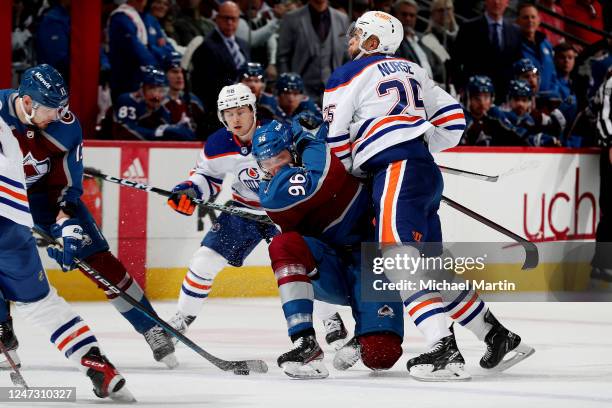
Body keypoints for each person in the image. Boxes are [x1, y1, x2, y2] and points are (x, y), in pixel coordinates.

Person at [323, 11, 533, 380]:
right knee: (431, 267)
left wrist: (355, 167)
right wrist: (417, 142)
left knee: (396, 258)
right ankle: (497, 336)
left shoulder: (346, 75)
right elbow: (453, 120)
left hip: (395, 172)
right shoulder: (414, 69)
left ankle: (442, 348)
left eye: (358, 34)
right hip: (422, 171)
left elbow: (336, 137)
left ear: (373, 41)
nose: (351, 39)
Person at [0, 64, 177, 369]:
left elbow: (69, 185)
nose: (57, 115)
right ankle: (3, 332)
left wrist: (64, 223)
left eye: (61, 108)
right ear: (27, 103)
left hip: (46, 198)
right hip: (5, 201)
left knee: (98, 259)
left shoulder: (65, 126)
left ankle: (152, 326)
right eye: (50, 109)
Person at [165, 84, 346, 347]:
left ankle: (330, 317)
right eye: (228, 113)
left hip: (283, 212)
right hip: (243, 210)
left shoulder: (277, 132)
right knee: (204, 260)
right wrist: (190, 190)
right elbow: (207, 177)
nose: (235, 119)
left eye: (240, 112)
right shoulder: (218, 144)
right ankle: (181, 318)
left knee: (300, 267)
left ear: (252, 110)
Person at [251, 119, 405, 379]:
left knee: (381, 355)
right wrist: (310, 138)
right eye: (267, 163)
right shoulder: (276, 189)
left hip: (371, 259)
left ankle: (363, 335)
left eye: (280, 157)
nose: (274, 168)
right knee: (283, 245)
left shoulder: (325, 150)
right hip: (329, 267)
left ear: (293, 151)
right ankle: (305, 342)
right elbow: (320, 179)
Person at [0, 116, 134, 402]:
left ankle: (3, 334)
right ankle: (95, 363)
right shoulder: (5, 128)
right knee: (42, 305)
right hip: (12, 231)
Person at [276, 0, 350, 104]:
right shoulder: (291, 18)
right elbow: (283, 58)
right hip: (300, 94)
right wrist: (289, 90)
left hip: (333, 93)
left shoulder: (342, 19)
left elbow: (347, 57)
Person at [452, 0, 522, 101]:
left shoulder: (515, 31)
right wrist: (461, 87)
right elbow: (456, 61)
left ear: (507, 3)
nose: (497, 2)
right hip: (476, 95)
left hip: (504, 96)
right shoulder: (468, 28)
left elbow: (516, 63)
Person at [191, 1, 251, 115]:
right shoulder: (206, 47)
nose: (229, 23)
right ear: (217, 19)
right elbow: (205, 87)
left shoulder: (244, 44)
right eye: (226, 18)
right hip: (220, 109)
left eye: (233, 19)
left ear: (238, 21)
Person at [113, 65, 196, 141]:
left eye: (161, 90)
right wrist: (157, 133)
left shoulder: (162, 109)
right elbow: (124, 132)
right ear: (141, 89)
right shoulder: (128, 100)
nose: (156, 95)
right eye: (151, 88)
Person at [107, 0, 159, 101]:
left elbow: (150, 45)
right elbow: (134, 47)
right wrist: (155, 67)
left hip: (138, 74)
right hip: (124, 76)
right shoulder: (121, 16)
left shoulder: (139, 15)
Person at [462, 75, 526, 146]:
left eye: (486, 97)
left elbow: (519, 135)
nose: (482, 103)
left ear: (492, 99)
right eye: (477, 98)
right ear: (469, 99)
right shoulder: (460, 118)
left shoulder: (495, 115)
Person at [161, 52, 207, 139]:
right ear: (165, 74)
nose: (180, 76)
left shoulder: (193, 101)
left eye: (182, 72)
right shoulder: (159, 103)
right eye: (175, 72)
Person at [516, 3, 558, 93]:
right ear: (518, 21)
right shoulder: (514, 45)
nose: (530, 20)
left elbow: (553, 74)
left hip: (548, 100)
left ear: (539, 20)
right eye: (525, 17)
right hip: (526, 100)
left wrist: (553, 94)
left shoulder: (546, 44)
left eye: (533, 17)